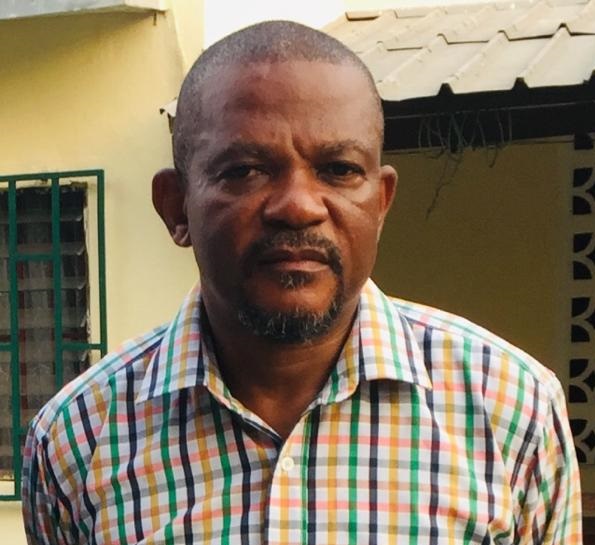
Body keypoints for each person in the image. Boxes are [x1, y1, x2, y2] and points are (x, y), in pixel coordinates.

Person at [22, 20, 582, 545]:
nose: (298, 207)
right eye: (245, 171)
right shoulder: (77, 439)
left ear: (381, 203)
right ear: (176, 207)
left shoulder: (511, 410)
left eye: (339, 170)